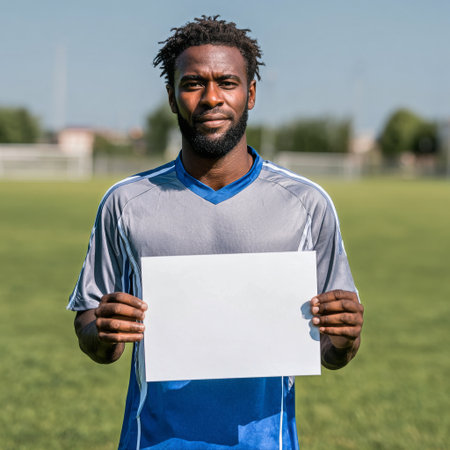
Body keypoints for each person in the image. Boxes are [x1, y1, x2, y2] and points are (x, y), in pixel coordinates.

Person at [68, 15, 364, 450]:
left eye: (227, 82)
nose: (211, 98)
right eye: (192, 84)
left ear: (251, 93)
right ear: (171, 97)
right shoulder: (126, 202)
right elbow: (90, 326)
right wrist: (104, 333)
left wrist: (344, 340)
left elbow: (331, 349)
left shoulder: (306, 203)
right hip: (151, 441)